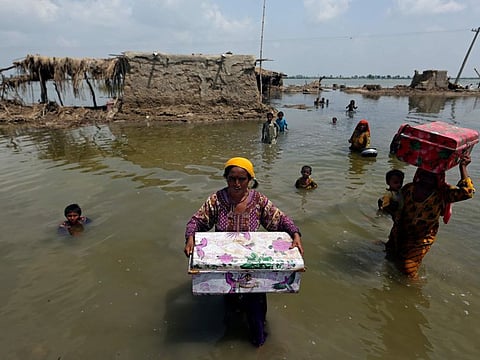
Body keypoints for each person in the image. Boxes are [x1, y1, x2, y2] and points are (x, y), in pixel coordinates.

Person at [184, 157, 304, 347]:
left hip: (253, 263)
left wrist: (295, 233)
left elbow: (280, 220)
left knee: (256, 311)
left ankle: (258, 345)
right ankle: (228, 339)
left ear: (250, 180)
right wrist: (190, 236)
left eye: (242, 179)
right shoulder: (217, 200)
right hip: (225, 263)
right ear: (226, 178)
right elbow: (197, 221)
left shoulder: (258, 200)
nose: (237, 184)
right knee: (230, 307)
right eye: (232, 178)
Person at [385, 156, 475, 278]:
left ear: (438, 178)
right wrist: (388, 206)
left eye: (431, 176)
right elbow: (395, 206)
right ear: (419, 174)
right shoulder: (408, 188)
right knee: (390, 256)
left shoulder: (442, 194)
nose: (427, 179)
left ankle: (414, 292)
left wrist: (463, 167)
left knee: (408, 270)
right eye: (424, 174)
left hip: (421, 239)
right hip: (400, 232)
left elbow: (468, 192)